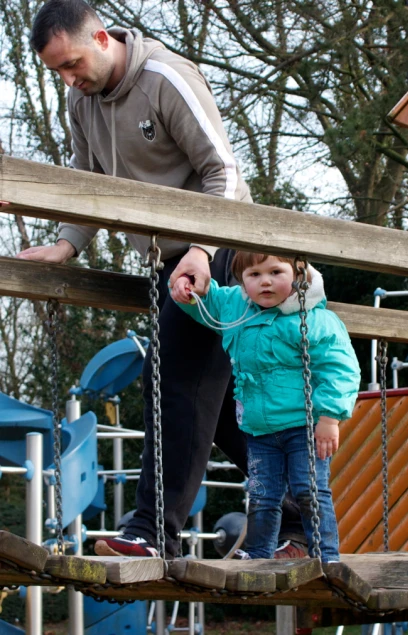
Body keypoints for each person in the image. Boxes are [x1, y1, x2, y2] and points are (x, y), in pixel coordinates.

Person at [21, 0, 307, 559]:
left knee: (170, 383)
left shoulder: (165, 79)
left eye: (72, 63)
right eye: (57, 70)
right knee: (222, 412)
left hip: (224, 253)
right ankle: (302, 517)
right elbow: (89, 185)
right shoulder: (81, 104)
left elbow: (223, 171)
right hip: (168, 264)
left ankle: (153, 531)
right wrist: (63, 245)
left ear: (102, 38)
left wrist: (201, 250)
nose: (68, 79)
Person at [171, 253, 361, 561]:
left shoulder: (312, 319)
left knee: (308, 490)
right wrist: (188, 293)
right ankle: (259, 553)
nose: (266, 281)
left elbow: (341, 368)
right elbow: (210, 302)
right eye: (254, 274)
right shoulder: (238, 309)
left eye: (276, 272)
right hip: (259, 430)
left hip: (304, 427)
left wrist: (329, 418)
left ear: (299, 275)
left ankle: (325, 554)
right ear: (243, 282)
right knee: (261, 495)